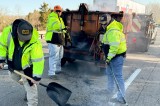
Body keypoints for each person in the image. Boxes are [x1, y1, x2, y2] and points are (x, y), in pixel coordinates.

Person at [0, 19, 44, 106]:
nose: (24, 40)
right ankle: (26, 85)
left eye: (27, 38)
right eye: (22, 38)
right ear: (17, 32)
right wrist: (1, 60)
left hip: (27, 68)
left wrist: (36, 76)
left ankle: (32, 102)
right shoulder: (7, 33)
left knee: (30, 86)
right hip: (13, 65)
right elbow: (2, 47)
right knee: (14, 77)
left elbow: (38, 60)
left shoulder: (34, 41)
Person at [99, 14, 127, 103]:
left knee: (118, 76)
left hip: (116, 57)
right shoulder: (110, 28)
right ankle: (109, 90)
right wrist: (102, 45)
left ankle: (121, 98)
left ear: (108, 21)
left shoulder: (113, 31)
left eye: (104, 24)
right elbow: (108, 41)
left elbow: (114, 47)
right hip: (112, 57)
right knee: (109, 74)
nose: (103, 25)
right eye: (101, 24)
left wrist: (108, 59)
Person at [45, 5, 66, 79]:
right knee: (54, 57)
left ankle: (58, 69)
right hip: (53, 39)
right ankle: (51, 73)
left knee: (60, 56)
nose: (60, 13)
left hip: (59, 39)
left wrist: (65, 31)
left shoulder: (59, 18)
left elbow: (62, 29)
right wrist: (64, 28)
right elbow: (56, 27)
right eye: (59, 11)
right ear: (57, 11)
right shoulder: (52, 18)